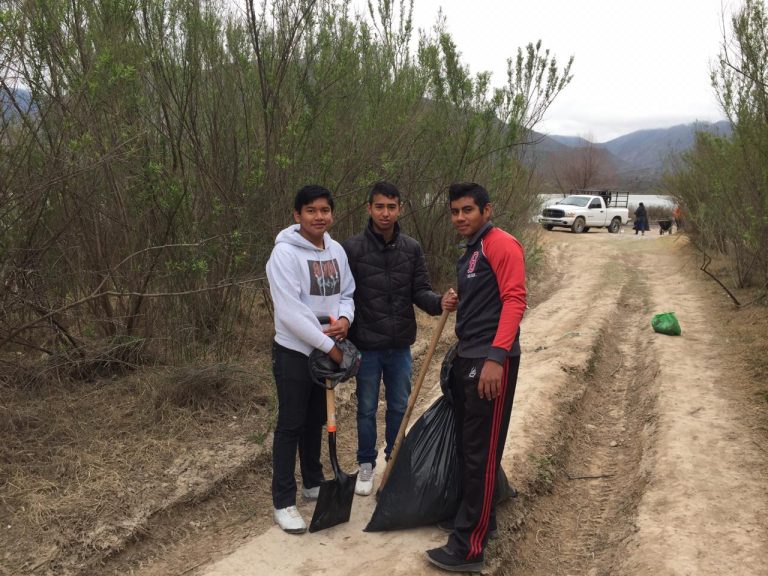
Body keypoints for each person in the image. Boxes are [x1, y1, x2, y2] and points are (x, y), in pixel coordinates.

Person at [426, 182, 526, 573]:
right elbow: (483, 299)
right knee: (470, 448)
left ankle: (470, 547)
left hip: (490, 362)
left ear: (487, 210)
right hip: (470, 356)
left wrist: (496, 358)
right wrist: (456, 302)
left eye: (467, 210)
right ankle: (477, 518)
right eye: (454, 212)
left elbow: (514, 300)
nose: (460, 218)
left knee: (481, 453)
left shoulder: (501, 244)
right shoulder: (471, 250)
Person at [342, 181, 457, 496]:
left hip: (399, 347)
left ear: (400, 209)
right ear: (369, 208)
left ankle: (393, 462)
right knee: (366, 407)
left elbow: (420, 291)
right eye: (379, 206)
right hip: (365, 346)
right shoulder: (351, 249)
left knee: (398, 406)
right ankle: (366, 465)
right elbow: (344, 298)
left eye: (391, 207)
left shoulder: (411, 248)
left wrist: (439, 303)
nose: (385, 213)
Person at [265, 184, 355, 534]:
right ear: (297, 215)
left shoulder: (337, 250)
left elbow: (347, 292)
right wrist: (330, 348)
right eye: (311, 211)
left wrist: (346, 320)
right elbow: (290, 312)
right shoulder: (284, 255)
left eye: (325, 210)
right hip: (295, 351)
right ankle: (283, 501)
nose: (319, 217)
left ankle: (313, 482)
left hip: (327, 347)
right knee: (291, 423)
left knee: (316, 419)